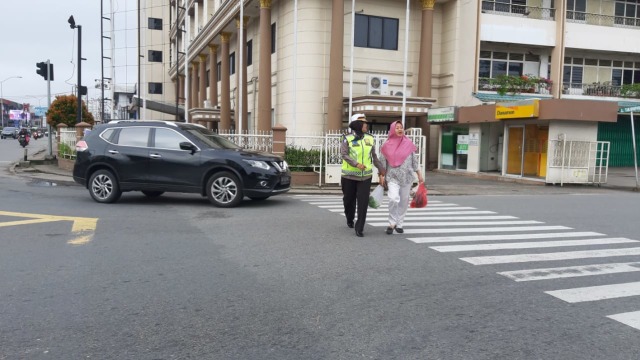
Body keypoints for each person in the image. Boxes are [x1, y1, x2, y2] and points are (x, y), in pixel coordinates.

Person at [340, 113, 385, 237]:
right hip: (348, 176)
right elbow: (344, 154)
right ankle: (350, 219)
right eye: (364, 123)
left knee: (363, 202)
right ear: (358, 125)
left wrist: (381, 170)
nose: (366, 125)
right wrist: (356, 164)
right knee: (348, 200)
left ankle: (359, 227)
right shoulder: (347, 138)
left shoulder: (370, 138)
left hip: (365, 176)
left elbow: (374, 157)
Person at [379, 120, 424, 235]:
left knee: (403, 201)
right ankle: (392, 222)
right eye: (397, 127)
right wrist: (381, 175)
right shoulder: (386, 146)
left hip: (407, 177)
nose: (400, 129)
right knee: (393, 198)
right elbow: (382, 163)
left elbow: (415, 161)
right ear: (392, 130)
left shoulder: (408, 143)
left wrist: (419, 174)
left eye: (401, 127)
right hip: (392, 177)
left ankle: (399, 223)